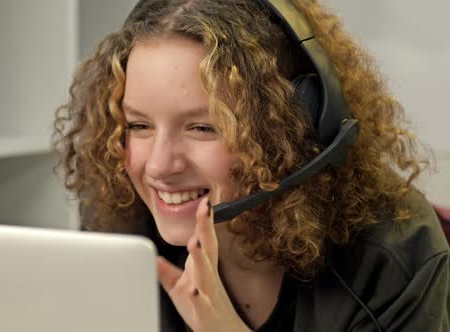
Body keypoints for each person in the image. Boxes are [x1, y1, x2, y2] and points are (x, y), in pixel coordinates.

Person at [53, 0, 450, 331]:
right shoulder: (122, 228)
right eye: (138, 125)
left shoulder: (391, 254)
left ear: (295, 124)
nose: (158, 166)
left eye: (203, 127)